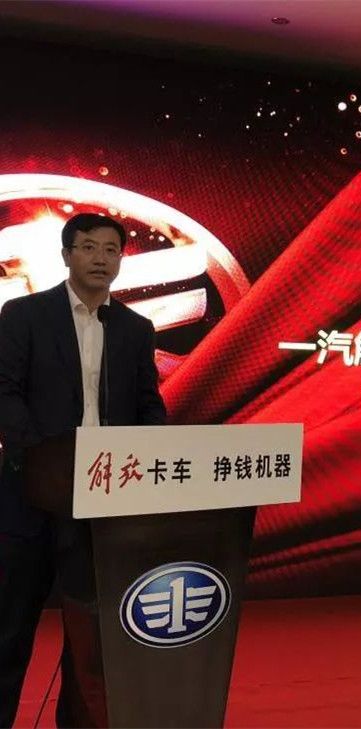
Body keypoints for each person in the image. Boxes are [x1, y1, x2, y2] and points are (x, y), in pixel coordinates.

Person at [0, 212, 166, 727]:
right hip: (32, 495)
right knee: (10, 627)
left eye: (111, 250)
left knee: (91, 636)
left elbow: (148, 406)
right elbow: (5, 391)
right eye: (89, 247)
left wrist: (155, 460)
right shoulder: (24, 315)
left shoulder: (134, 329)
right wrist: (40, 457)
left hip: (104, 504)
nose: (101, 259)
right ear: (67, 255)